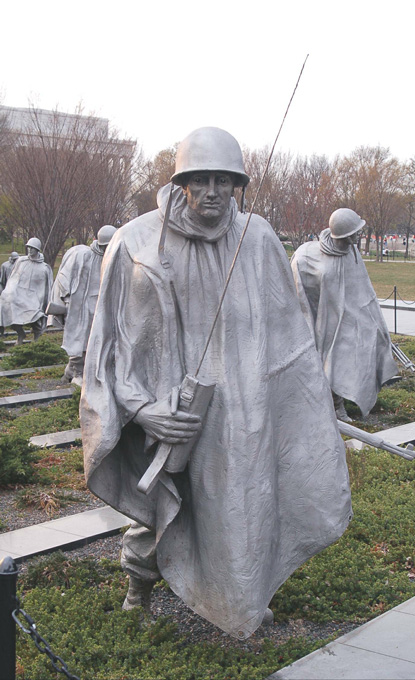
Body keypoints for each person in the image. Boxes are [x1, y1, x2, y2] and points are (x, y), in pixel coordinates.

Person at [80, 127, 351, 639]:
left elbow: (288, 330)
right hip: (168, 409)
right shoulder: (134, 241)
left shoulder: (259, 238)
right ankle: (138, 586)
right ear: (180, 182)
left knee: (248, 500)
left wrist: (295, 405)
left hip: (242, 410)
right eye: (200, 179)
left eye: (223, 180)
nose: (212, 191)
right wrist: (140, 409)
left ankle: (244, 594)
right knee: (164, 499)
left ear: (237, 185)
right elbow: (108, 345)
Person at [291, 208, 397, 422]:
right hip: (325, 320)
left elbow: (362, 289)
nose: (359, 235)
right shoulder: (308, 256)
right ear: (344, 234)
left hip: (349, 318)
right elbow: (301, 291)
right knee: (329, 361)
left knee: (348, 358)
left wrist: (373, 319)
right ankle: (333, 406)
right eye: (355, 232)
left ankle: (343, 402)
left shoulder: (352, 253)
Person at [47, 225, 116, 386]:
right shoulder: (82, 254)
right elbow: (65, 277)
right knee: (79, 337)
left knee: (93, 340)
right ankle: (77, 372)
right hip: (79, 305)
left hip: (98, 306)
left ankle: (70, 371)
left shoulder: (112, 259)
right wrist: (66, 299)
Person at [0, 238, 52, 344]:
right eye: (28, 247)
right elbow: (13, 279)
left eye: (32, 248)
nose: (30, 250)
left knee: (37, 314)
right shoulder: (21, 261)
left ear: (37, 249)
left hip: (34, 298)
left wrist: (43, 303)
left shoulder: (44, 268)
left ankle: (37, 337)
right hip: (19, 295)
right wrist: (9, 292)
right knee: (5, 305)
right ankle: (20, 333)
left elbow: (46, 289)